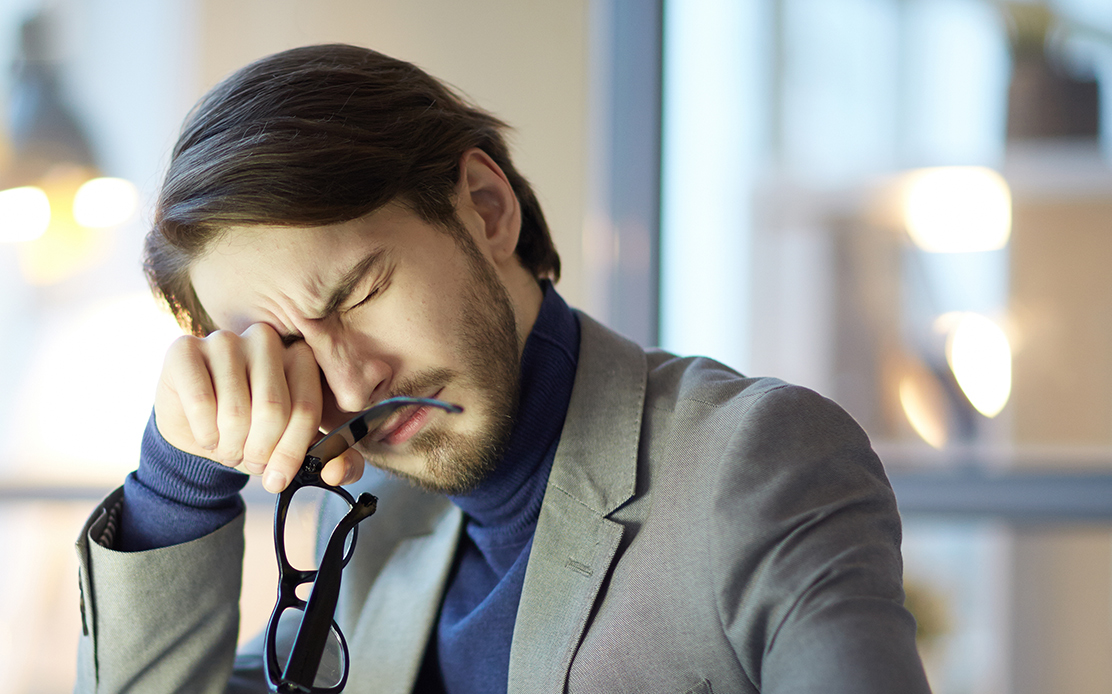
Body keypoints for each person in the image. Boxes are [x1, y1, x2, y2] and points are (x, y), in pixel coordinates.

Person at [73, 44, 930, 694]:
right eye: (290, 346)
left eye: (361, 290)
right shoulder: (365, 529)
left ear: (486, 209)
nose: (353, 381)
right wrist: (177, 488)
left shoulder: (756, 459)